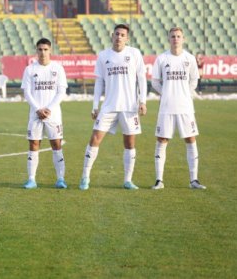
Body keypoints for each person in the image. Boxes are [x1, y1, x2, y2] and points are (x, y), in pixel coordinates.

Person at [80, 23, 147, 190]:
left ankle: (127, 180)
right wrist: (95, 105)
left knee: (130, 143)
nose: (119, 37)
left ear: (127, 38)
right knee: (95, 139)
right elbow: (99, 82)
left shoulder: (134, 54)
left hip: (129, 107)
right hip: (108, 106)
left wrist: (142, 101)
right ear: (112, 35)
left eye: (123, 35)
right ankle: (85, 176)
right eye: (117, 34)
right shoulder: (103, 56)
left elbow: (142, 79)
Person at [151, 28, 206, 190]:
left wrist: (184, 94)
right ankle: (159, 180)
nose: (176, 39)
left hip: (185, 107)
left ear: (184, 39)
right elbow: (155, 81)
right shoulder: (162, 58)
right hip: (166, 107)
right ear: (169, 39)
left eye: (178, 36)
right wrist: (167, 93)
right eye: (173, 36)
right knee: (162, 140)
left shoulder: (189, 58)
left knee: (190, 139)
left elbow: (194, 80)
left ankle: (194, 180)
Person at [21, 38, 68, 189]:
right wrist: (37, 109)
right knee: (34, 144)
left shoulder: (58, 68)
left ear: (50, 50)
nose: (43, 52)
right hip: (35, 114)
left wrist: (49, 109)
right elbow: (27, 92)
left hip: (53, 114)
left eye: (45, 49)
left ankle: (60, 179)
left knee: (56, 144)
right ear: (36, 51)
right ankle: (31, 179)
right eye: (40, 49)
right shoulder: (30, 69)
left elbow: (61, 92)